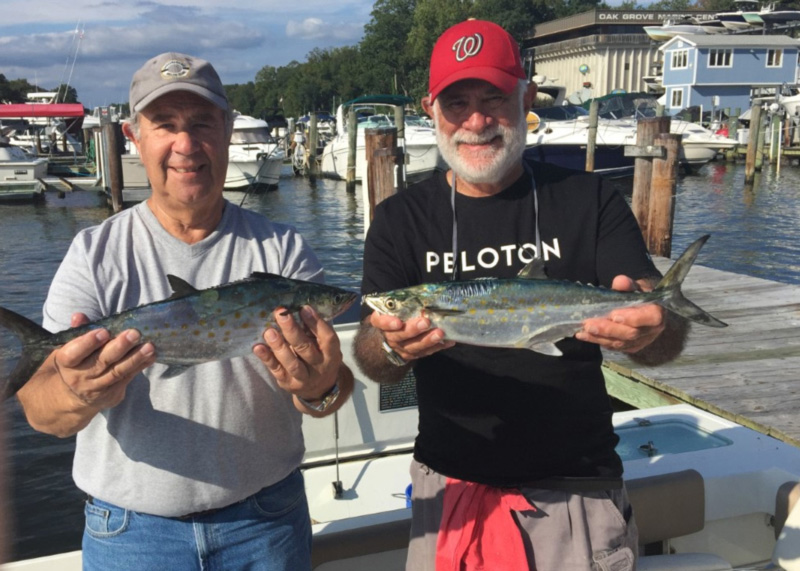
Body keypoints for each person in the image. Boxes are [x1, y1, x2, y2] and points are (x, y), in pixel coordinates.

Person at [353, 19, 689, 571]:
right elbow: (371, 351)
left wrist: (652, 326)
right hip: (450, 489)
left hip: (576, 487)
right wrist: (392, 348)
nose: (478, 121)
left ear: (526, 97)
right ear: (430, 110)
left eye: (494, 98)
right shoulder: (399, 220)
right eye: (457, 102)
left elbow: (660, 333)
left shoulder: (590, 200)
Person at [16, 52, 353, 571]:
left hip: (266, 523)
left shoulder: (283, 251)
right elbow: (41, 411)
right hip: (131, 535)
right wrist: (74, 391)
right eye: (165, 125)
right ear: (134, 136)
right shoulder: (94, 252)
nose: (186, 145)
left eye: (201, 124)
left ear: (226, 128)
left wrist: (321, 384)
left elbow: (330, 395)